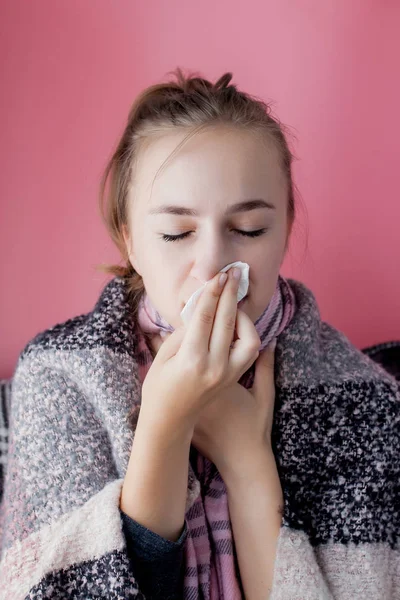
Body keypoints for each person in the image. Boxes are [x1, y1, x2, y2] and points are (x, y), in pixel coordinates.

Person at [0, 69, 398, 600]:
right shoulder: (58, 376)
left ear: (284, 230)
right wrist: (166, 422)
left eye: (250, 229)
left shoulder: (363, 397)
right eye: (176, 233)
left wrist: (245, 459)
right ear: (130, 240)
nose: (212, 263)